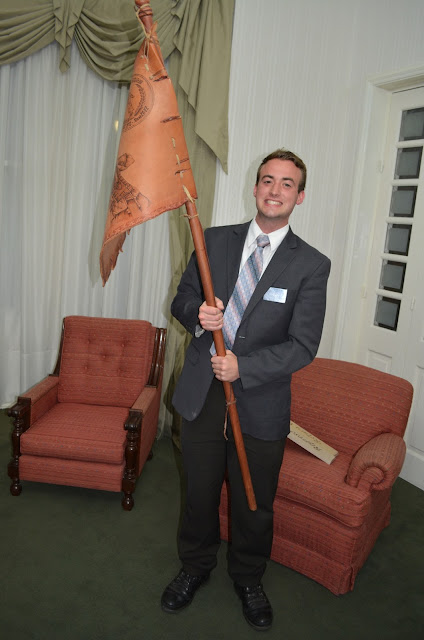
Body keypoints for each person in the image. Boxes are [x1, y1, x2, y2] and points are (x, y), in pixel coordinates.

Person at [161, 148, 331, 631]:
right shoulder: (213, 240)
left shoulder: (311, 265)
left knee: (254, 501)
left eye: (287, 184)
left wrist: (244, 367)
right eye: (268, 180)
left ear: (300, 197)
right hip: (203, 392)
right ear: (255, 188)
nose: (275, 190)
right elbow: (182, 298)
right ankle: (195, 566)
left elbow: (303, 346)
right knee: (199, 491)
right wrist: (198, 315)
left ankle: (249, 577)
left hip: (260, 399)